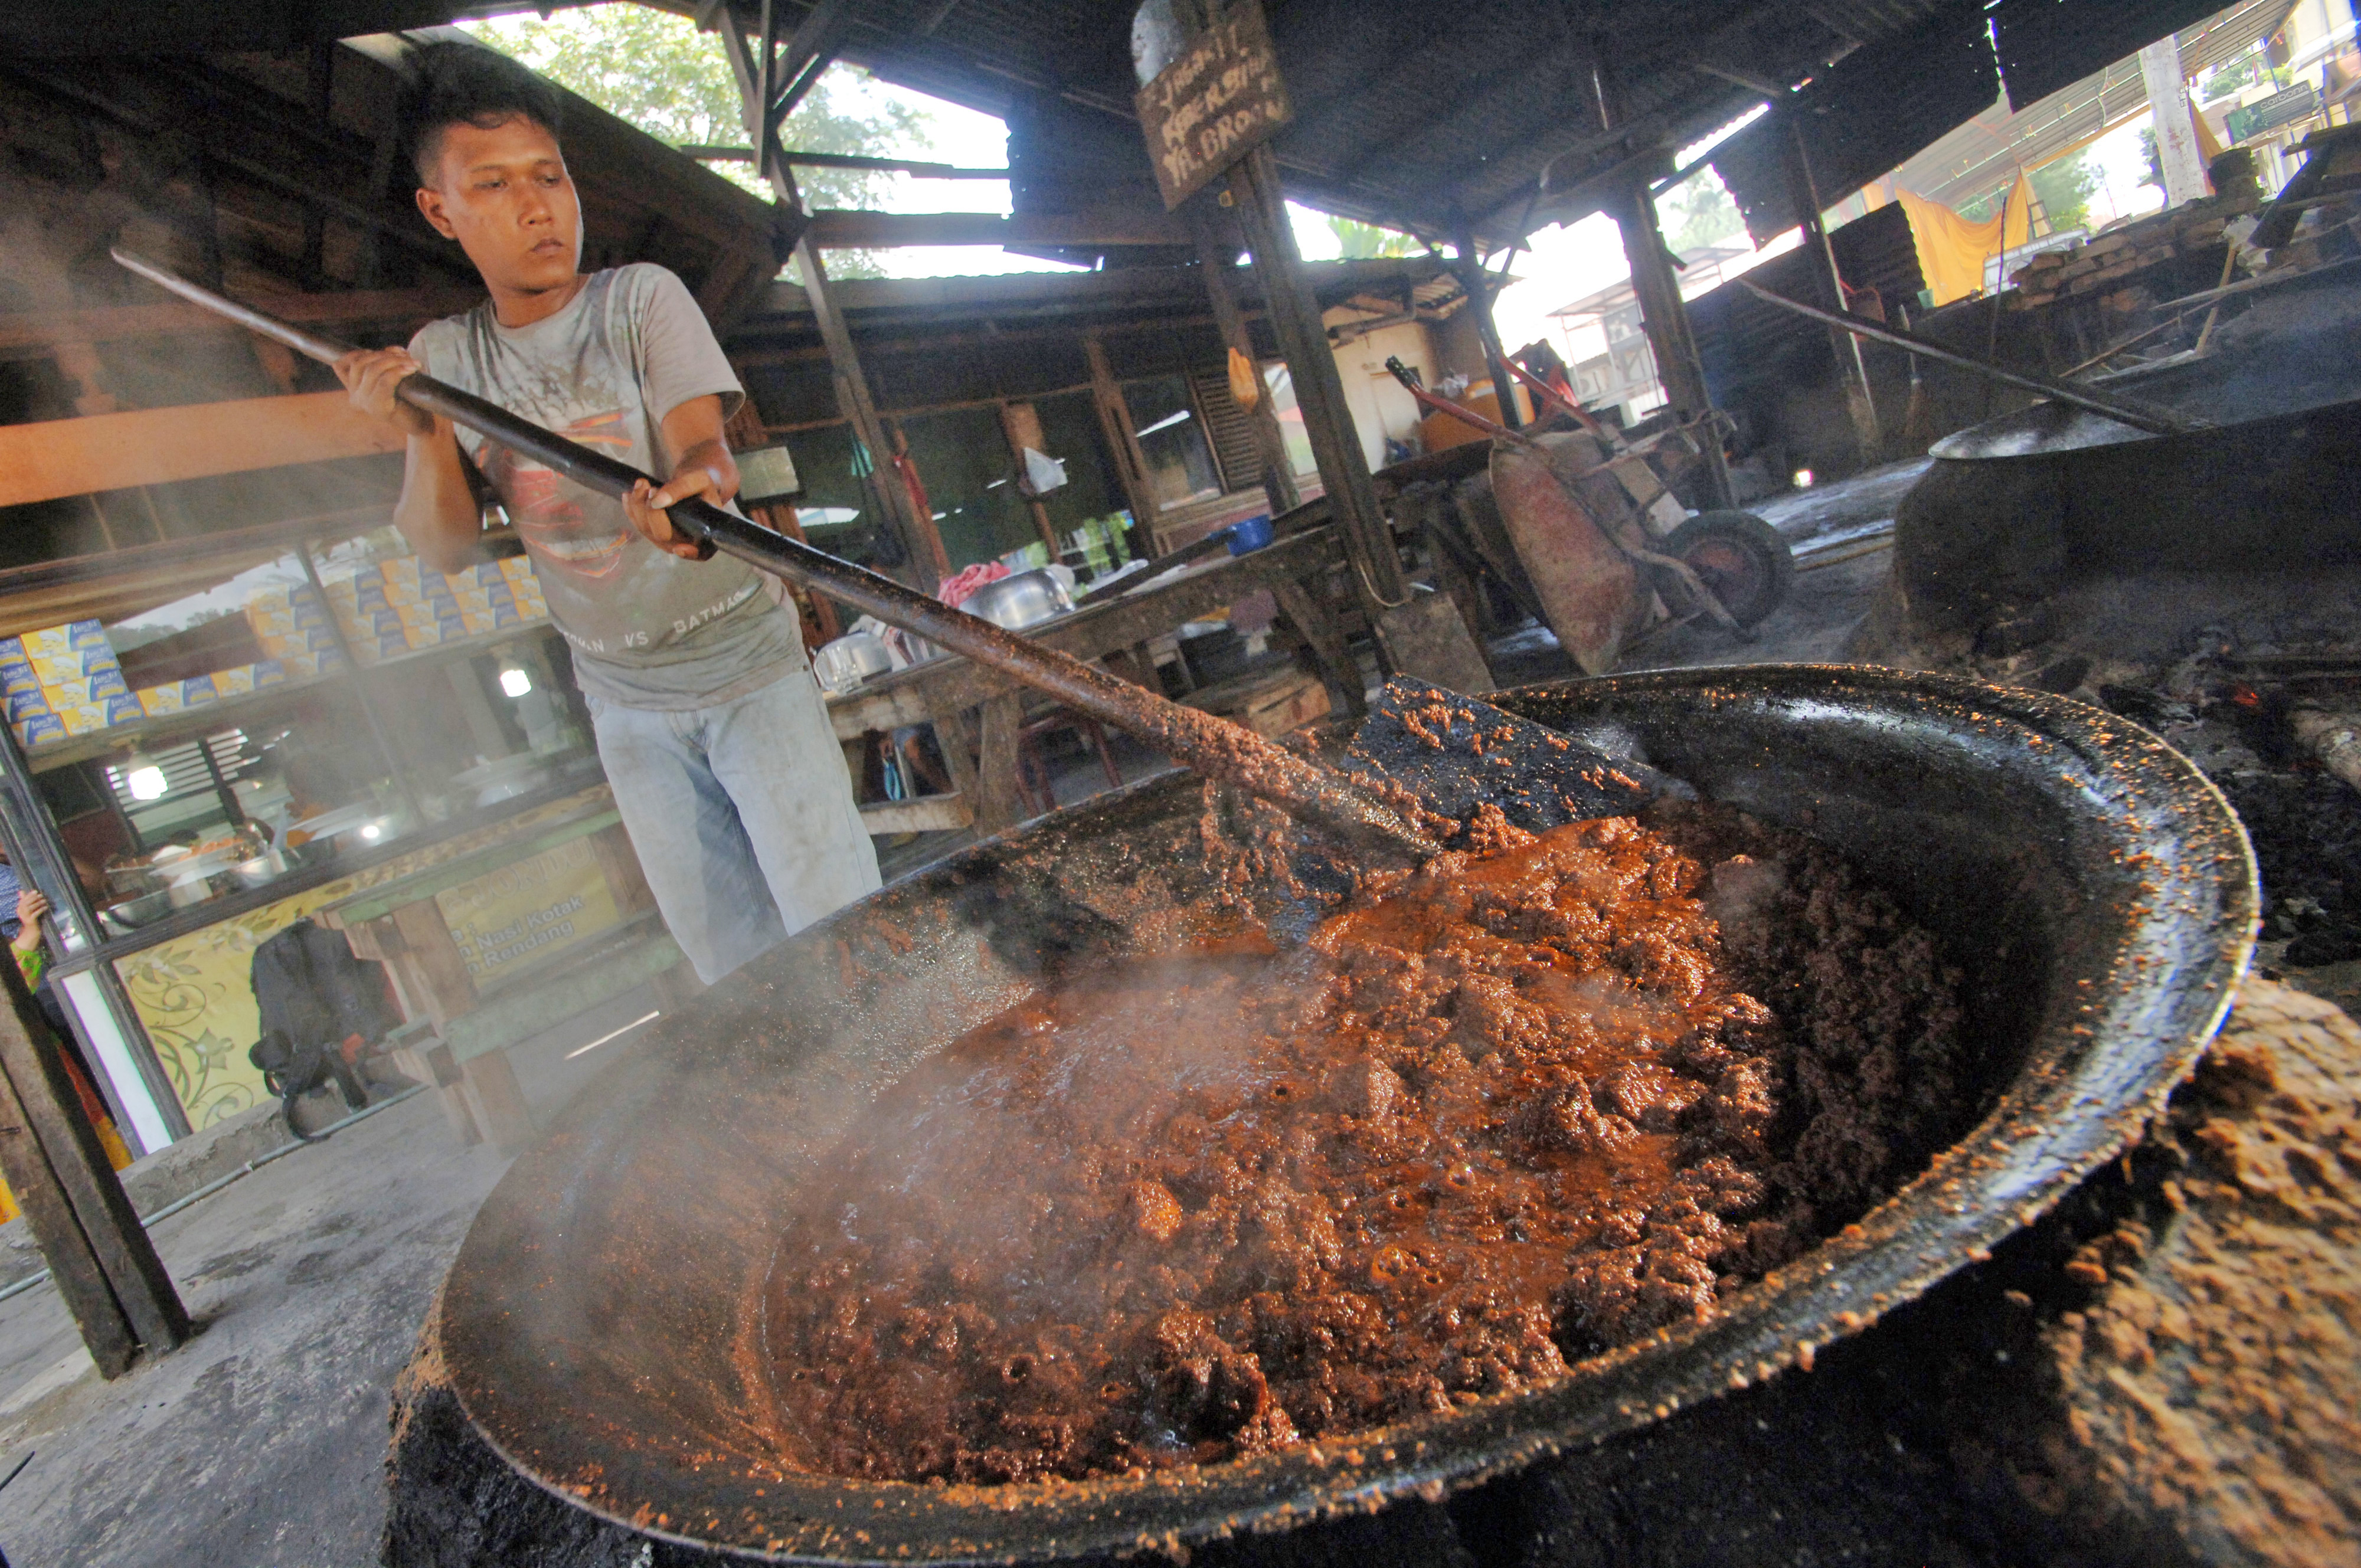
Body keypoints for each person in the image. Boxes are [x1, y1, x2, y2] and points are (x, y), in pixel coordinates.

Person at [333, 42, 879, 984]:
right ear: (440, 210)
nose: (537, 206)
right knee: (735, 972)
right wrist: (420, 432)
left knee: (845, 931)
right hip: (626, 707)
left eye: (550, 176)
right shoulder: (446, 361)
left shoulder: (640, 301)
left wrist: (695, 499)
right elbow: (444, 549)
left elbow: (704, 450)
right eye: (494, 184)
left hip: (749, 670)